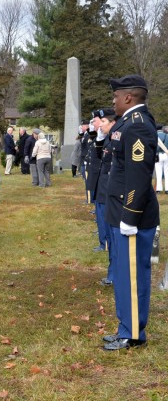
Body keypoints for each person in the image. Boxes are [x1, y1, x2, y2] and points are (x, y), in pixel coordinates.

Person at [103, 75, 159, 351]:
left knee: (133, 275)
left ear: (129, 98)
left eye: (116, 96)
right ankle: (126, 326)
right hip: (119, 211)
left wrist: (130, 215)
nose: (113, 100)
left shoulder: (138, 126)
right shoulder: (127, 123)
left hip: (131, 215)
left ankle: (133, 333)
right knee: (124, 276)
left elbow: (138, 176)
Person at [94, 110, 117, 277]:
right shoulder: (108, 140)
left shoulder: (116, 140)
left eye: (103, 121)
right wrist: (100, 139)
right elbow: (100, 157)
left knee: (113, 237)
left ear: (112, 123)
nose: (100, 124)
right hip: (103, 190)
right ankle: (112, 273)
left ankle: (113, 274)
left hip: (110, 192)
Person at [154, 125, 168, 193]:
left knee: (158, 172)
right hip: (166, 155)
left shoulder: (154, 136)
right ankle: (167, 189)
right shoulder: (167, 136)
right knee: (167, 173)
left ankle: (158, 189)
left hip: (158, 155)